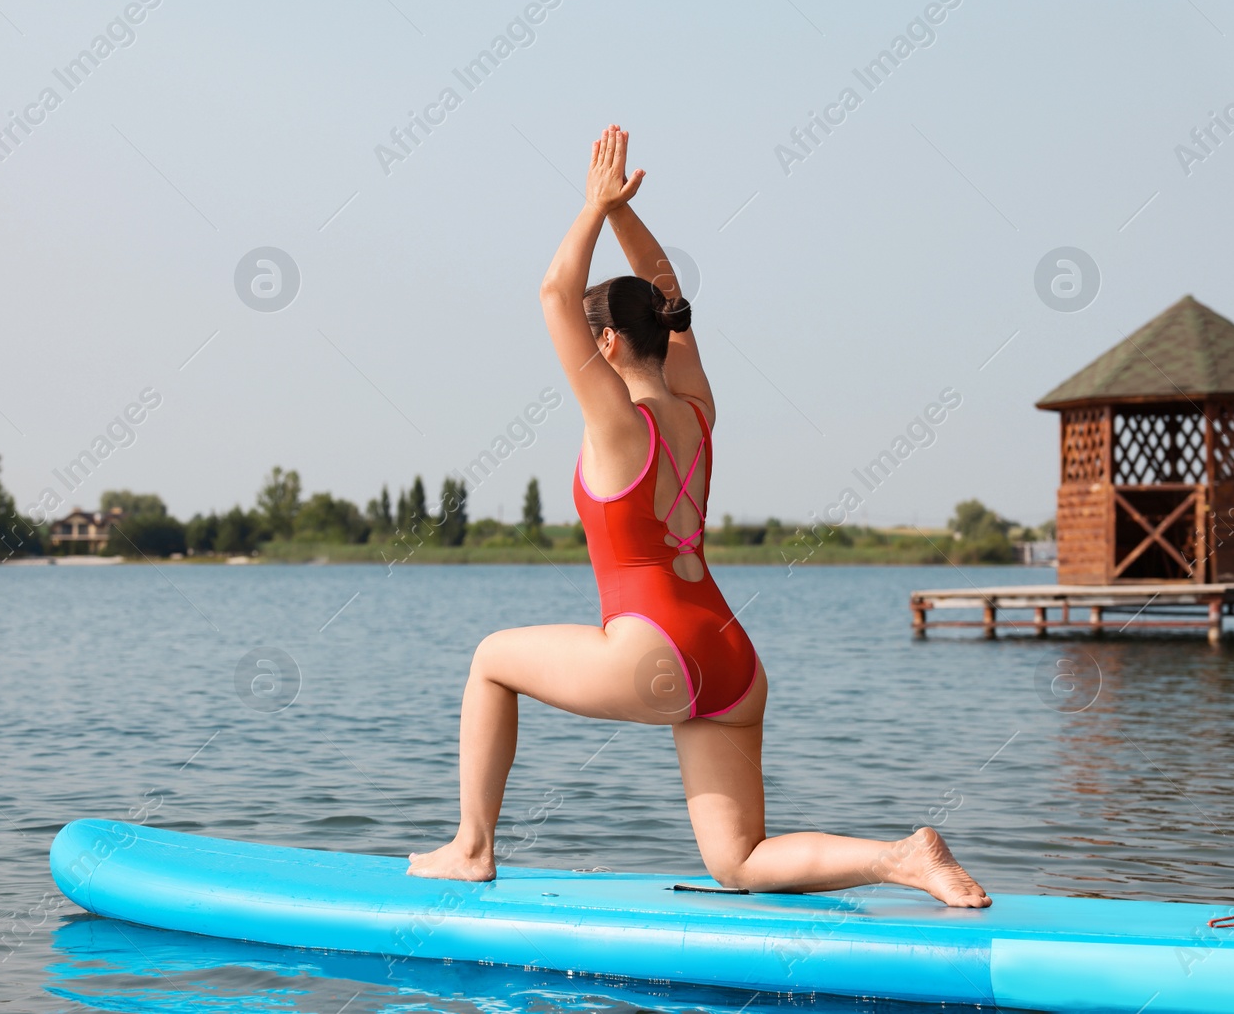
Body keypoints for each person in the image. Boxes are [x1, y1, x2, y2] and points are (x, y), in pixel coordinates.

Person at [407, 125, 990, 908]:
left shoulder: (616, 422)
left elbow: (554, 294)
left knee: (489, 659)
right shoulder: (697, 409)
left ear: (608, 344)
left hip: (652, 647)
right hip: (727, 653)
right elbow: (668, 291)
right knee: (738, 860)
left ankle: (471, 848)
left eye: (592, 342)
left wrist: (592, 208)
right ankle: (903, 857)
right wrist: (622, 214)